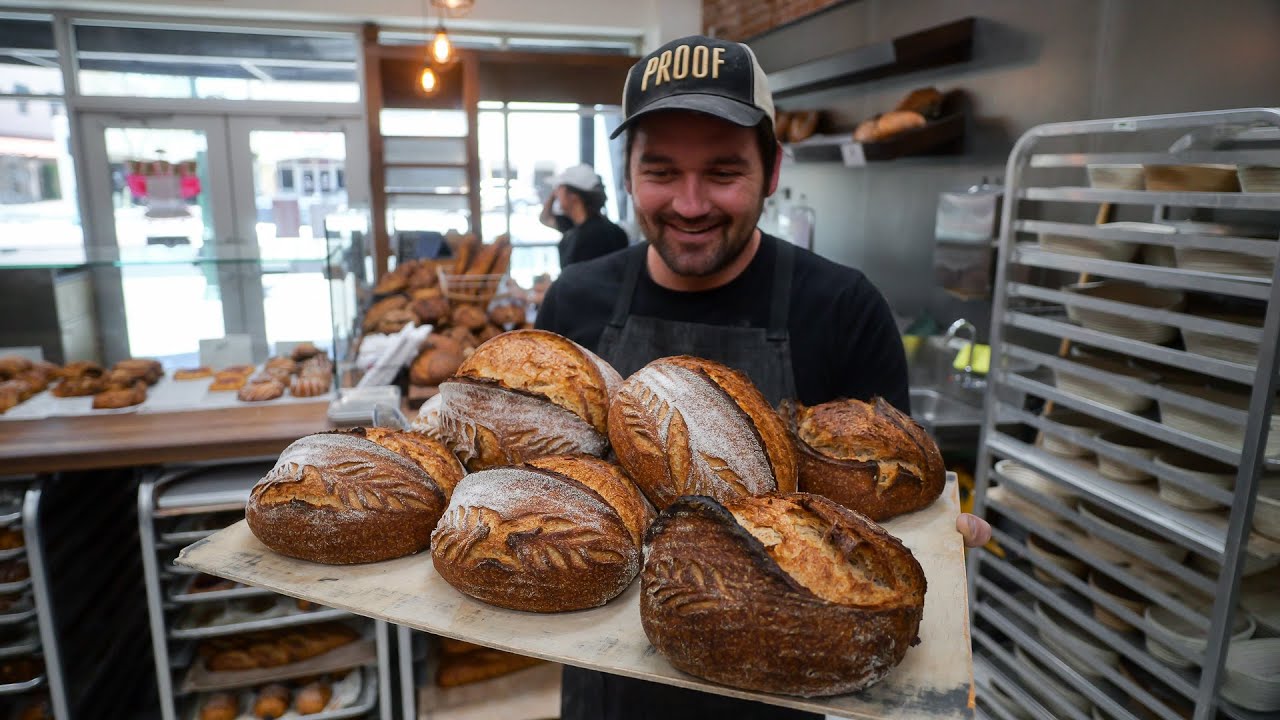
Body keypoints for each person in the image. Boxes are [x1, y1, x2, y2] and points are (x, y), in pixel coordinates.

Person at [535, 34, 992, 720]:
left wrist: (933, 535)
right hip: (614, 684)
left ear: (772, 169)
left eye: (723, 172)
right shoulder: (574, 301)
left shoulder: (843, 309)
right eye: (661, 171)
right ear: (628, 173)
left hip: (792, 676)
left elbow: (888, 499)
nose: (690, 204)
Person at [539, 163, 630, 268]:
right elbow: (544, 218)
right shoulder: (575, 226)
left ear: (573, 196)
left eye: (559, 189)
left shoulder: (587, 238)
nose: (556, 193)